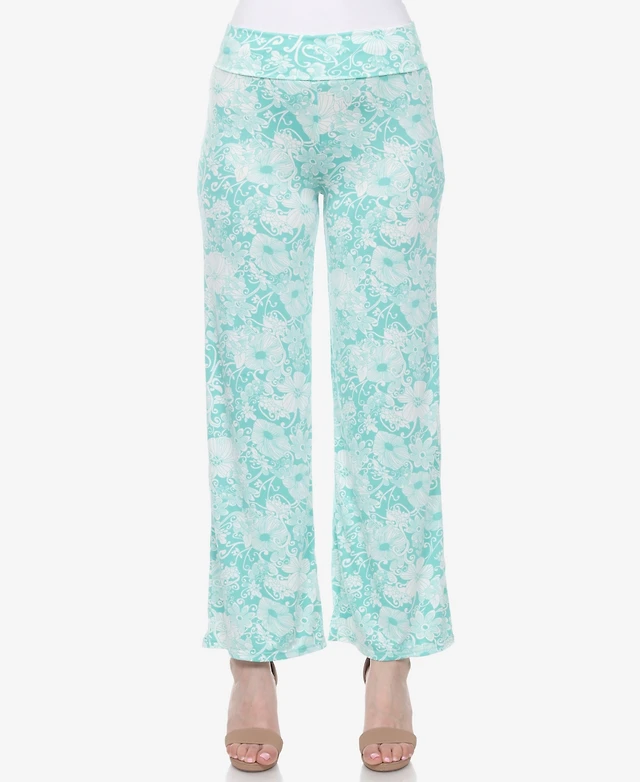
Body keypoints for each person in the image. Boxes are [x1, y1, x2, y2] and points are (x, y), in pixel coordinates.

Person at [197, 0, 454, 772]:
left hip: (387, 89)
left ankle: (390, 657)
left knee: (394, 392)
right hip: (255, 90)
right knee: (253, 387)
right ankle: (253, 659)